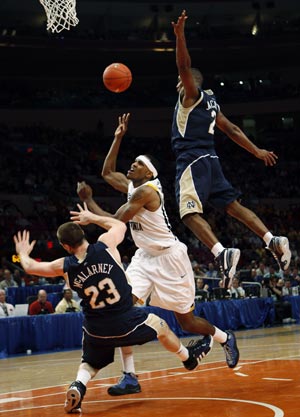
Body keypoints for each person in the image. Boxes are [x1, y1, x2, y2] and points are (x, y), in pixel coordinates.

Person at [77, 113, 239, 396]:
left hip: (169, 257)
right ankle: (130, 376)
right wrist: (117, 137)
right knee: (124, 309)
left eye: (139, 163)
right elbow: (106, 173)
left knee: (186, 321)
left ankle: (225, 338)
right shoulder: (133, 185)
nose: (133, 164)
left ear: (149, 173)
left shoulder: (147, 192)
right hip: (143, 258)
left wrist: (90, 206)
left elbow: (117, 222)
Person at [14, 204, 211, 413]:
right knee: (162, 326)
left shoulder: (64, 266)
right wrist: (92, 217)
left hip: (96, 329)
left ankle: (78, 385)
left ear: (65, 246)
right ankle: (187, 358)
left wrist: (22, 252)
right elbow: (118, 225)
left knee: (90, 363)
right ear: (83, 234)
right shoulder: (105, 245)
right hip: (126, 320)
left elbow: (30, 267)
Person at [170, 10, 291, 289]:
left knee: (188, 214)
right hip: (212, 160)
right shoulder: (213, 103)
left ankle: (221, 253)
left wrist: (180, 37)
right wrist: (257, 151)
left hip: (192, 159)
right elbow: (233, 130)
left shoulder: (191, 94)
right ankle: (272, 239)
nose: (179, 82)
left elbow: (184, 66)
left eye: (182, 80)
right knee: (234, 207)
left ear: (187, 83)